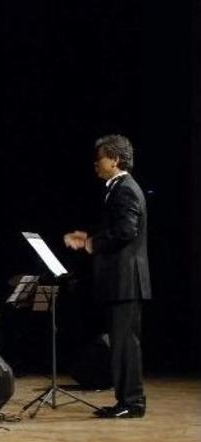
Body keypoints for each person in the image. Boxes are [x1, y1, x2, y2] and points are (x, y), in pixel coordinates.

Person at [64, 134, 150, 419]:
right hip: (123, 280)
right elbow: (118, 228)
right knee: (124, 343)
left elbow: (127, 230)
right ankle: (129, 400)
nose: (95, 164)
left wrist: (91, 244)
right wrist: (89, 236)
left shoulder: (125, 188)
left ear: (115, 159)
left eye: (100, 158)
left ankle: (132, 402)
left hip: (125, 281)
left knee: (125, 344)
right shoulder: (119, 187)